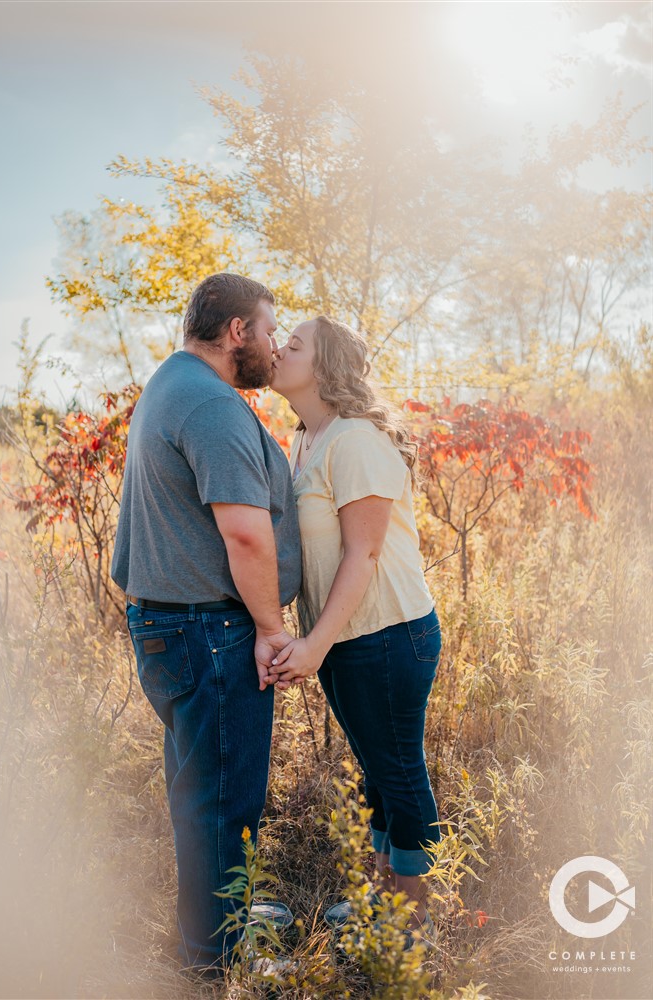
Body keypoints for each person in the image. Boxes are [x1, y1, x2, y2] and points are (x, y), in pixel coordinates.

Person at [111, 273, 302, 976]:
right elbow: (246, 537)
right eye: (268, 328)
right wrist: (270, 628)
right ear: (236, 332)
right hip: (209, 632)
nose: (274, 344)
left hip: (173, 626)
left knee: (201, 789)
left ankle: (218, 917)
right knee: (223, 799)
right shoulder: (214, 406)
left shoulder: (171, 384)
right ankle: (213, 962)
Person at [266, 314, 442, 945]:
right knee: (374, 768)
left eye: (294, 344)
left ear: (327, 365)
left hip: (388, 635)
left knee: (396, 772)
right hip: (342, 639)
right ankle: (380, 901)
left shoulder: (357, 440)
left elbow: (362, 556)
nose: (278, 349)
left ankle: (410, 926)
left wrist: (312, 644)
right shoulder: (303, 440)